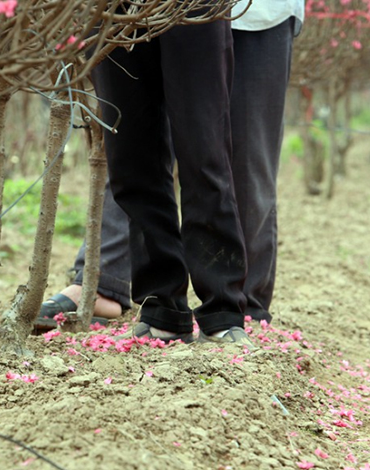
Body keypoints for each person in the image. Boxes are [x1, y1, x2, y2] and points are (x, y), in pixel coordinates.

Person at [37, 1, 305, 344]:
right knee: (132, 160)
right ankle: (162, 305)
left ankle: (223, 307)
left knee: (205, 152)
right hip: (113, 10)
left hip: (199, 8)